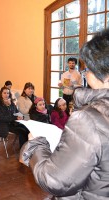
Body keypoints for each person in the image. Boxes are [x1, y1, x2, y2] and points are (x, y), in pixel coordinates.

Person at [20, 28, 109, 199]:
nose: (86, 74)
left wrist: (36, 145)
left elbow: (56, 180)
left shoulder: (90, 119)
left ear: (102, 74)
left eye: (88, 69)